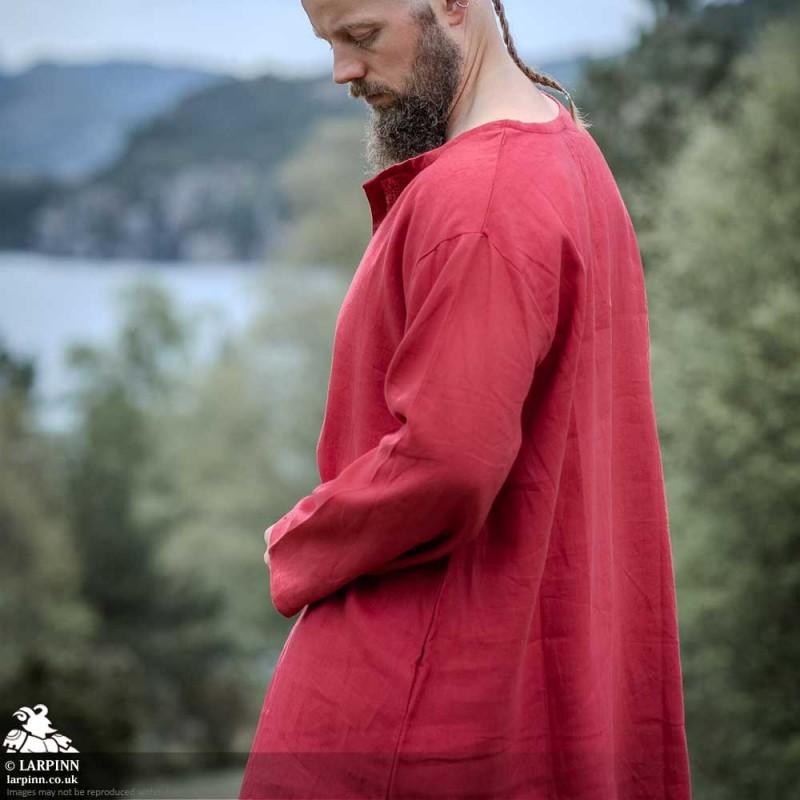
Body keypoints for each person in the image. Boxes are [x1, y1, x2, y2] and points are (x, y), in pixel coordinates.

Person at [240, 1, 693, 798]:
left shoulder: (479, 197)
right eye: (329, 42)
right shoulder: (570, 154)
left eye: (361, 35)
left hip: (416, 704)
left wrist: (298, 540)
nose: (343, 71)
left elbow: (449, 460)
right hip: (491, 681)